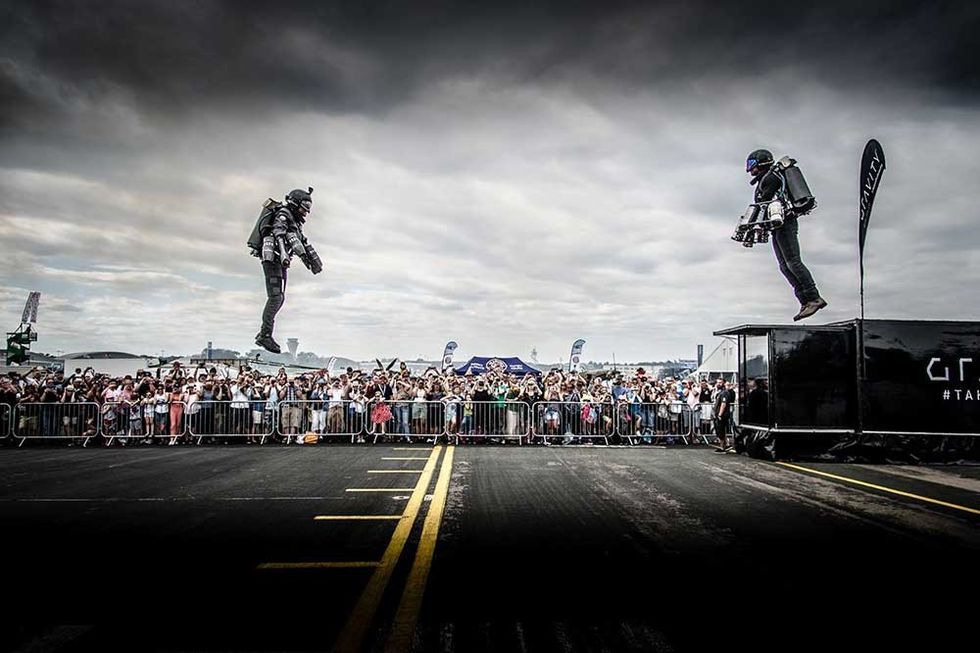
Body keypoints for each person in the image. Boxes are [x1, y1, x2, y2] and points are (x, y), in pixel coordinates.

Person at [746, 149, 827, 321]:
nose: (749, 169)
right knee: (785, 266)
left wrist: (753, 224)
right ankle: (805, 301)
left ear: (761, 162)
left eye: (751, 164)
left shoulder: (771, 178)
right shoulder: (765, 180)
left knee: (793, 262)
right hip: (776, 226)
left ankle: (813, 298)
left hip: (785, 223)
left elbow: (763, 203)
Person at [254, 187, 323, 353]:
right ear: (295, 203)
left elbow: (302, 240)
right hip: (273, 259)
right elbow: (279, 233)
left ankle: (264, 334)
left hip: (280, 261)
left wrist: (313, 261)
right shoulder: (283, 214)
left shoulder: (295, 221)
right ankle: (264, 335)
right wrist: (285, 254)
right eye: (303, 208)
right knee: (276, 297)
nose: (305, 213)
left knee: (280, 298)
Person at [712, 377, 733, 452]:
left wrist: (720, 414)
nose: (718, 384)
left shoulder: (724, 392)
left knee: (721, 430)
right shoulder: (719, 392)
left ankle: (722, 446)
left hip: (722, 415)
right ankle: (724, 445)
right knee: (720, 430)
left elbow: (723, 404)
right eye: (717, 382)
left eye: (720, 382)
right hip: (718, 414)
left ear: (723, 383)